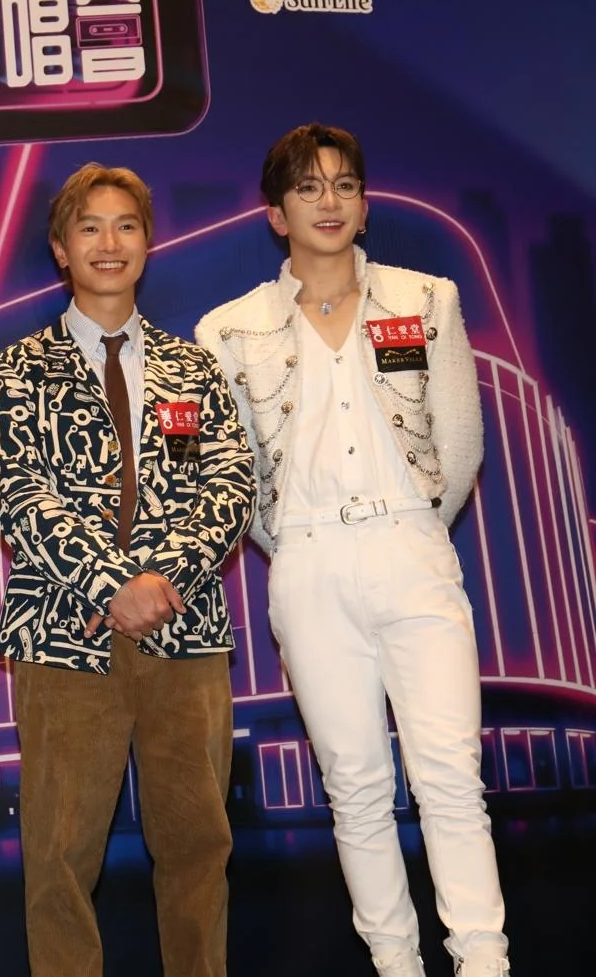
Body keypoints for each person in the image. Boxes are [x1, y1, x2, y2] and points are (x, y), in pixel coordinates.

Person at [194, 124, 511, 977]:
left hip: (413, 545)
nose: (328, 202)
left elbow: (461, 444)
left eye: (343, 185)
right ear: (276, 213)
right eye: (307, 187)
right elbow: (234, 475)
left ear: (366, 204)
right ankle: (396, 964)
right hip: (306, 561)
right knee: (357, 787)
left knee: (451, 778)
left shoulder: (427, 298)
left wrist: (410, 524)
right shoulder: (228, 330)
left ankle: (485, 962)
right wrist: (298, 543)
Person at [0, 163, 254, 977]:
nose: (110, 242)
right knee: (59, 859)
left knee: (199, 845)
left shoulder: (192, 367)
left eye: (126, 225)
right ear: (61, 248)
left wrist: (160, 583)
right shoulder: (16, 368)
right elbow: (19, 494)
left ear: (147, 242)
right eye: (90, 227)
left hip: (185, 631)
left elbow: (232, 483)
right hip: (64, 636)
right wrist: (112, 586)